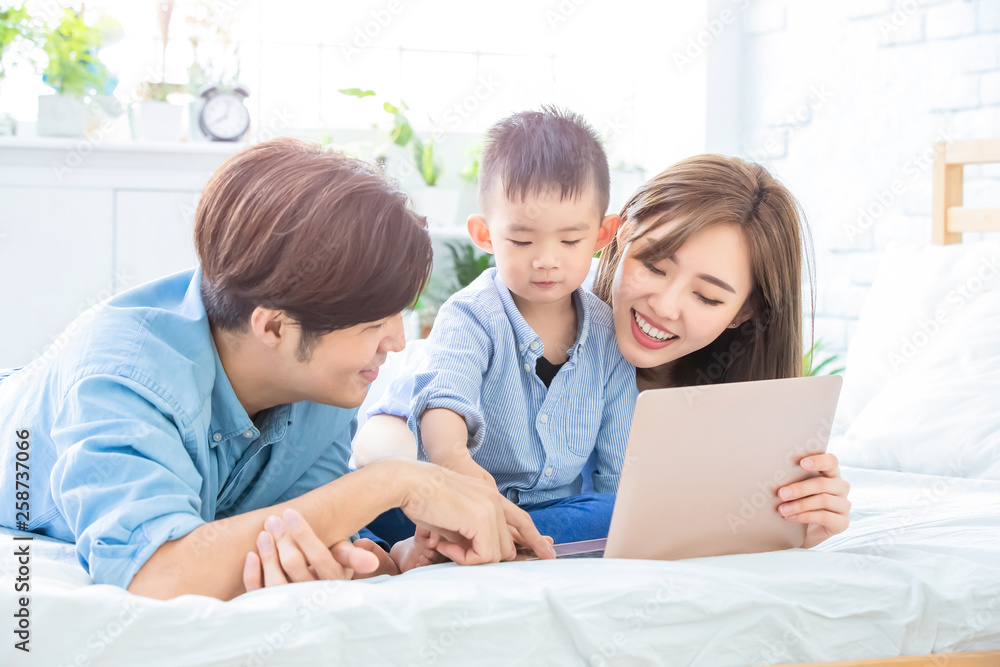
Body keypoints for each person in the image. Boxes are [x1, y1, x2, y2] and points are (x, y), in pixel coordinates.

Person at [0, 138, 554, 602]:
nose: (395, 342)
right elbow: (155, 575)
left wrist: (402, 557)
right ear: (272, 328)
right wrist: (395, 481)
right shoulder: (122, 373)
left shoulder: (324, 385)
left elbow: (315, 527)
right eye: (372, 324)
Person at [355, 152, 851, 566]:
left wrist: (786, 521)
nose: (664, 305)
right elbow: (391, 433)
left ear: (744, 312)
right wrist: (444, 480)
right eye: (654, 265)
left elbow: (646, 502)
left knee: (627, 513)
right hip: (418, 486)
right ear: (616, 235)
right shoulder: (543, 298)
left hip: (554, 515)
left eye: (708, 298)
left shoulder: (727, 389)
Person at [368, 108, 637, 569]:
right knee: (382, 507)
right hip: (447, 499)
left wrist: (627, 517)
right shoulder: (471, 315)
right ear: (485, 235)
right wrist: (457, 464)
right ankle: (451, 543)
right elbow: (443, 403)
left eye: (570, 241)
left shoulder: (609, 333)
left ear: (602, 235)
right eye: (522, 241)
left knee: (620, 512)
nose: (546, 260)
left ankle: (497, 544)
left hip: (551, 510)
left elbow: (617, 465)